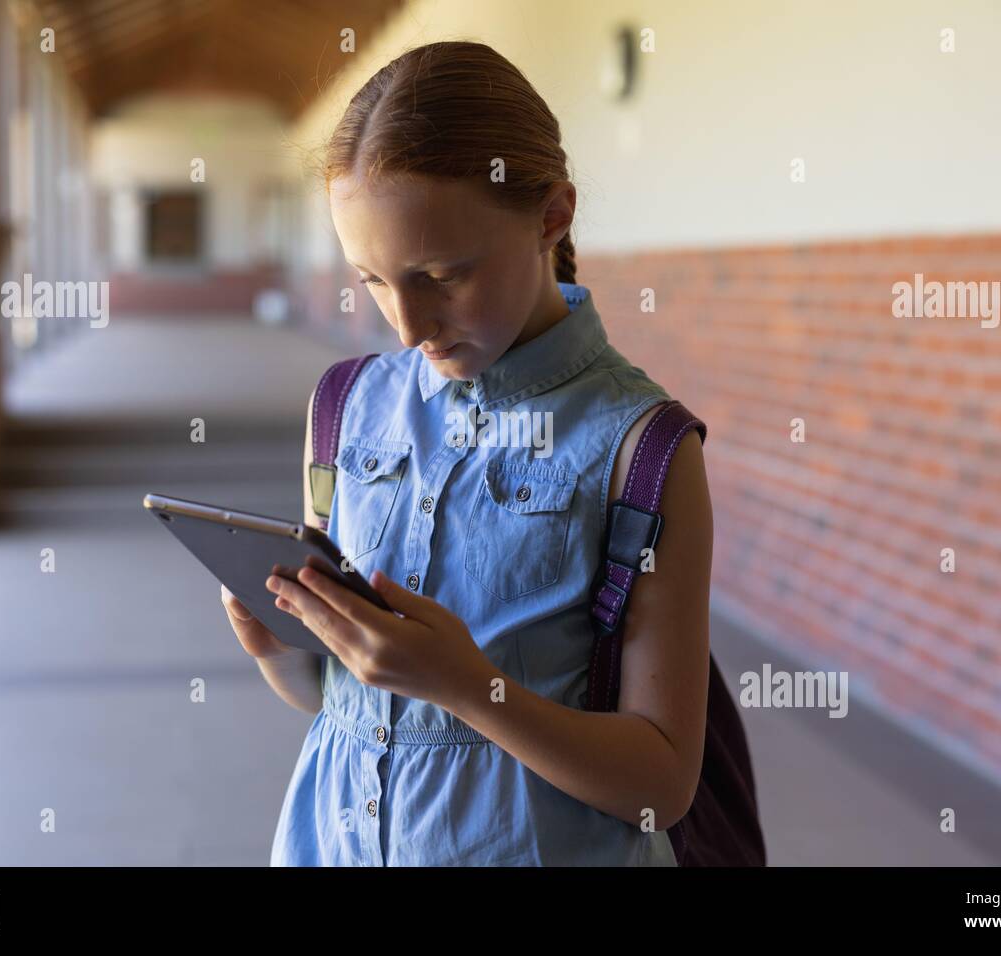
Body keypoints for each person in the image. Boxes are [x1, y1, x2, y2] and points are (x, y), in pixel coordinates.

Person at [220, 39, 713, 866]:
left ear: (552, 217)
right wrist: (277, 646)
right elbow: (337, 703)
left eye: (442, 274)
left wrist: (465, 687)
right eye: (373, 280)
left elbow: (661, 785)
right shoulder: (344, 408)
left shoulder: (642, 448)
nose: (408, 327)